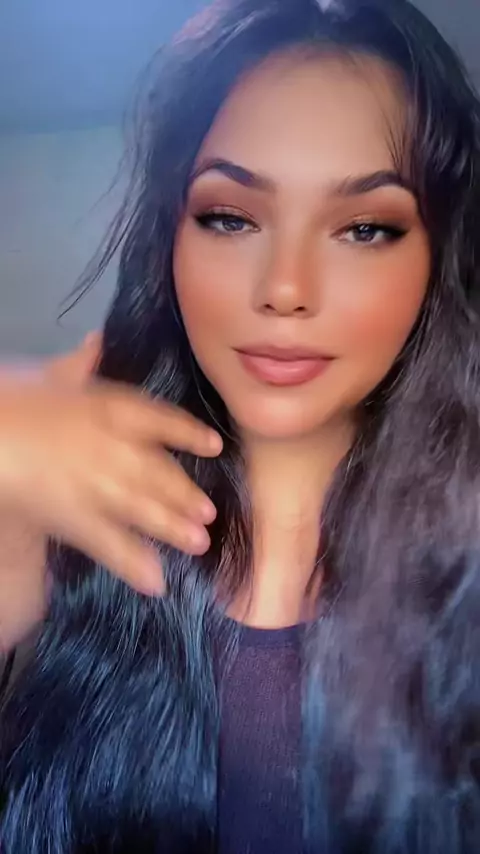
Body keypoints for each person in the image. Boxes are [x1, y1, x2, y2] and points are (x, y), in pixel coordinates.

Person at [0, 0, 479, 850]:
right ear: (169, 240)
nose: (286, 288)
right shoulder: (46, 540)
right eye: (231, 217)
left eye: (364, 228)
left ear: (438, 258)